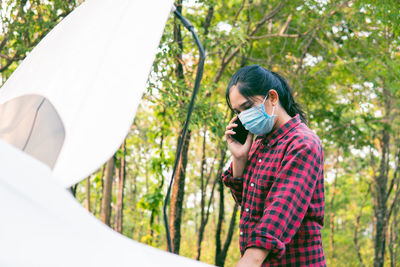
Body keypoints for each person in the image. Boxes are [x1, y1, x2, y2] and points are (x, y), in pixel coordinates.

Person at [223, 65, 326, 267]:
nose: (243, 117)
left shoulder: (303, 144)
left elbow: (277, 215)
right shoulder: (259, 143)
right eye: (237, 112)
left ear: (272, 98)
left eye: (247, 107)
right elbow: (249, 205)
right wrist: (239, 158)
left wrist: (251, 260)